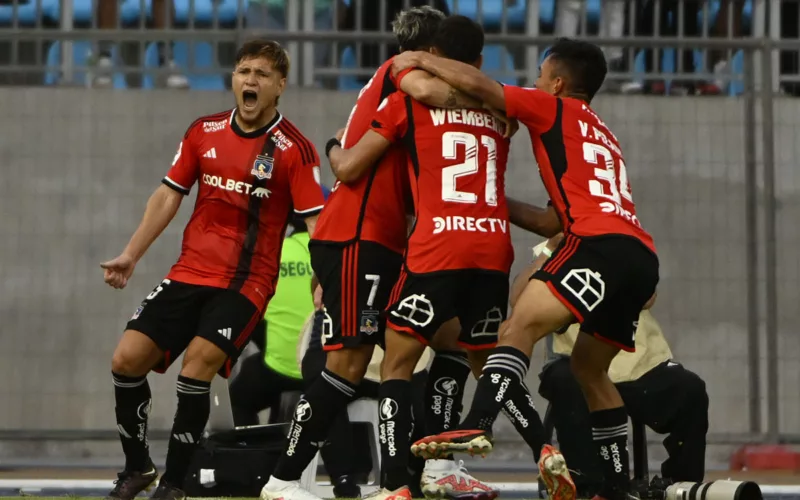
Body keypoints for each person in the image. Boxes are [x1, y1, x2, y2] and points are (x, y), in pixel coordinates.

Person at [397, 37, 660, 500]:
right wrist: (486, 199)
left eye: (540, 74)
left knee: (518, 324)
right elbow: (547, 221)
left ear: (557, 83)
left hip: (596, 245)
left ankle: (475, 425)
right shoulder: (601, 132)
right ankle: (619, 490)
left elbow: (483, 85)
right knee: (591, 371)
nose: (534, 82)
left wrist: (422, 59)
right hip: (639, 257)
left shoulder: (553, 108)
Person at [259, 7, 490, 500]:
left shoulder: (396, 85)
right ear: (430, 55)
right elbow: (351, 164)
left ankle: (429, 469)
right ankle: (281, 481)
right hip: (357, 236)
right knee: (346, 365)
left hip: (387, 241)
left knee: (449, 339)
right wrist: (487, 99)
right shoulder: (403, 73)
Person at [326, 15, 560, 500]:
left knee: (396, 364)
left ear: (432, 54)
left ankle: (394, 485)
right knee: (487, 363)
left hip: (437, 247)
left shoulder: (405, 102)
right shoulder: (504, 113)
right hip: (492, 250)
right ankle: (544, 449)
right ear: (478, 62)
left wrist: (331, 145)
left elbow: (349, 168)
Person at [100, 39, 326, 500]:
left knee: (195, 368)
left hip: (247, 283)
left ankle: (175, 483)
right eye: (244, 71)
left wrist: (327, 279)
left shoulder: (295, 150)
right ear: (233, 78)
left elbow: (316, 224)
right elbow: (168, 195)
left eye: (262, 74)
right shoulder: (203, 131)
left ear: (280, 85)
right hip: (188, 272)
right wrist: (130, 254)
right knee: (125, 360)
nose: (250, 81)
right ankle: (138, 467)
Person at [516, 239, 708, 498]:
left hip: (640, 365)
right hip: (578, 366)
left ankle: (679, 485)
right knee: (565, 380)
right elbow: (517, 301)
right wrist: (551, 250)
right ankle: (589, 489)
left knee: (691, 389)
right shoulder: (551, 251)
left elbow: (648, 296)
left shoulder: (623, 240)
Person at [229, 187, 331, 428]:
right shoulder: (340, 254)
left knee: (239, 396)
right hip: (329, 369)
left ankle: (254, 454)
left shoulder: (274, 253)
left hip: (281, 369)